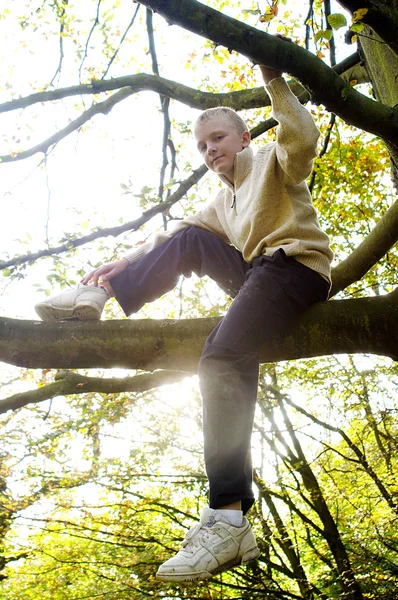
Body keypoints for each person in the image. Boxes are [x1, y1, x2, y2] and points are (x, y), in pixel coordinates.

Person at [34, 39, 333, 582]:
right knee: (186, 234)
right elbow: (176, 238)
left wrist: (274, 82)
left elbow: (303, 138)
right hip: (256, 272)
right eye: (200, 146)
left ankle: (227, 515)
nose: (209, 150)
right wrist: (117, 265)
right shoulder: (221, 200)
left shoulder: (270, 160)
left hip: (294, 269)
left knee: (220, 359)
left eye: (217, 138)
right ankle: (100, 294)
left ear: (243, 137)